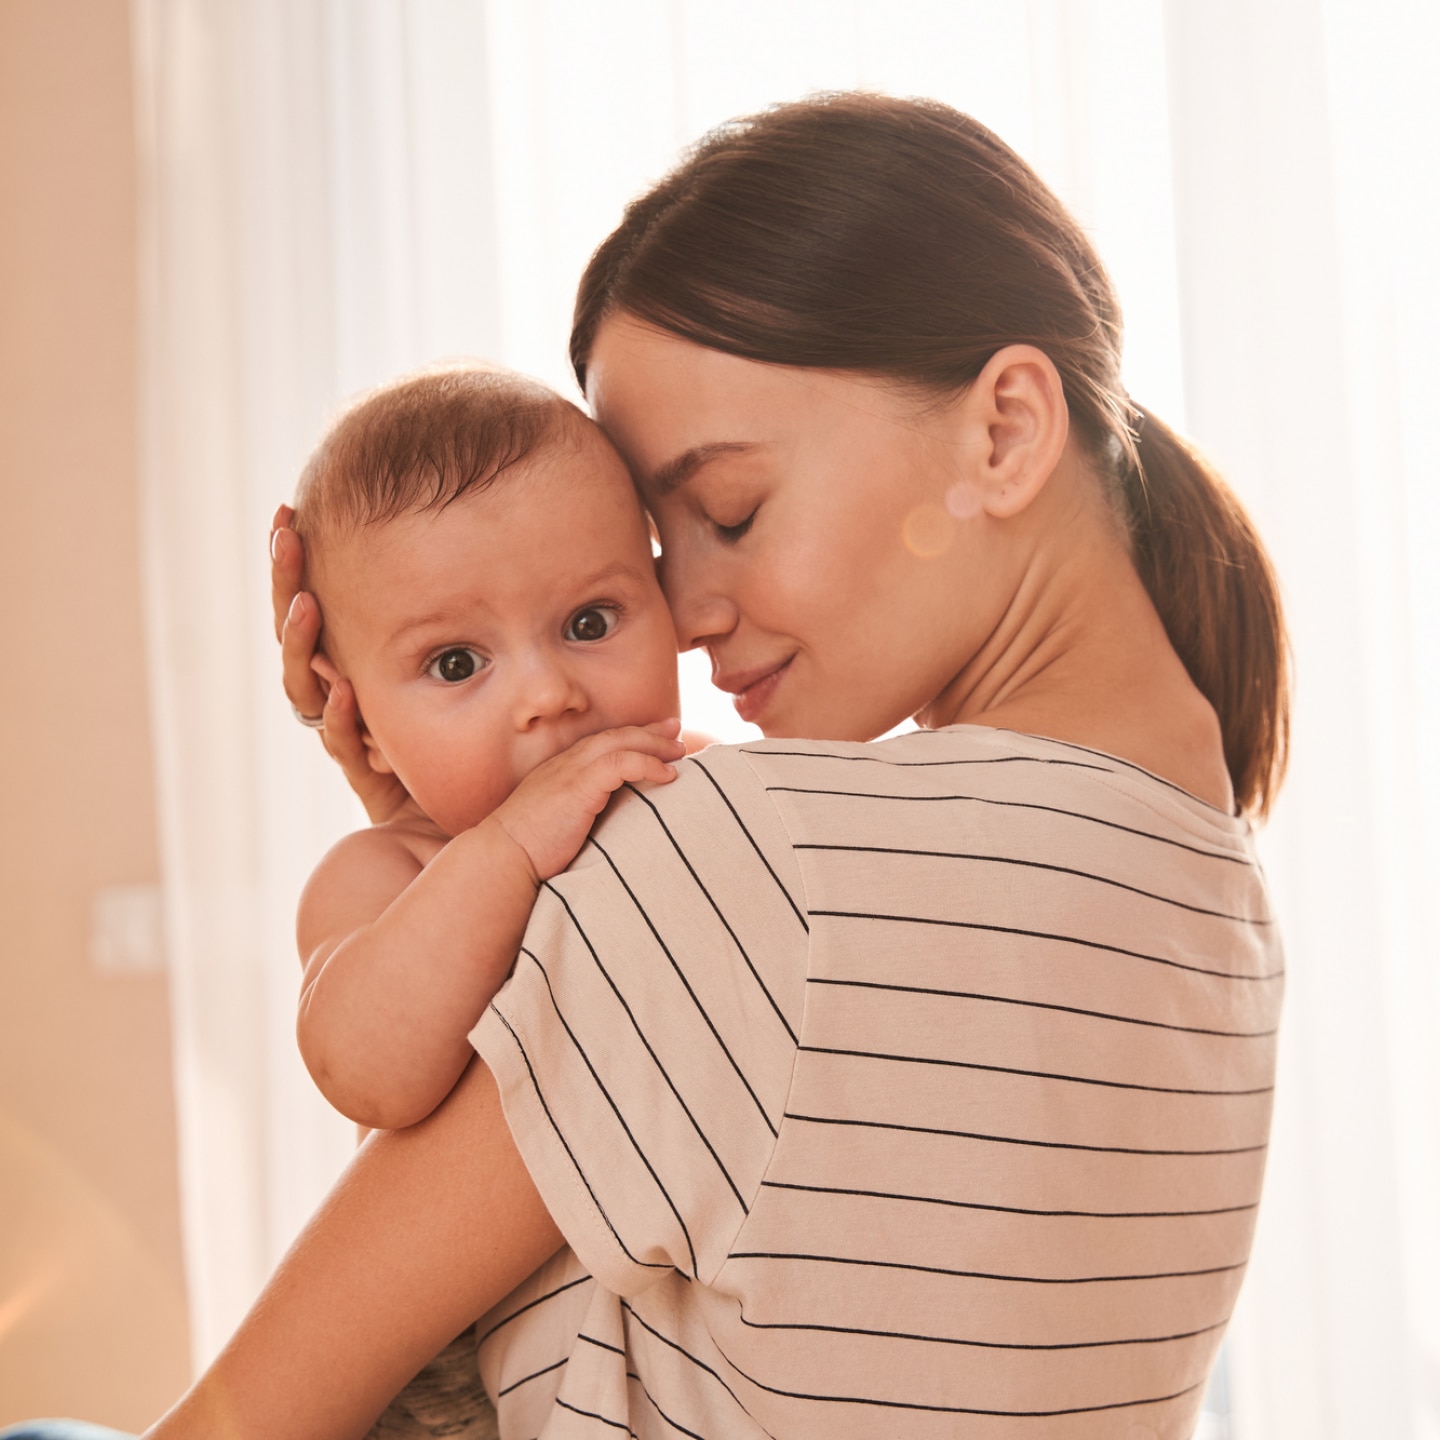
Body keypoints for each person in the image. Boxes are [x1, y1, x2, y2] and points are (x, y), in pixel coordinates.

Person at [7, 91, 1288, 1440]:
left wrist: (523, 872)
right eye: (661, 555)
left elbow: (241, 1424)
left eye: (732, 510)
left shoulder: (746, 857)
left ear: (1006, 430)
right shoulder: (1221, 896)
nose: (684, 616)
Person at [283, 363, 683, 1135]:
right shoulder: (389, 874)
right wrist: (506, 849)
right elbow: (366, 1075)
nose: (549, 695)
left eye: (591, 623)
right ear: (358, 720)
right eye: (457, 663)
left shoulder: (694, 778)